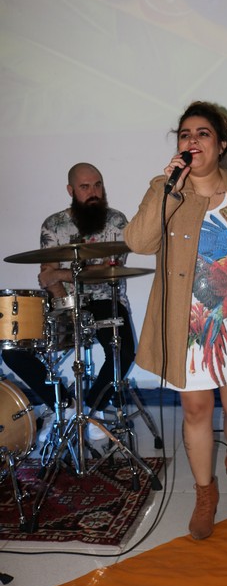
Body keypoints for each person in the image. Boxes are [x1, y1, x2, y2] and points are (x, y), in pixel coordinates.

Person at [124, 101, 227, 540]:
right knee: (196, 409)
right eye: (185, 134)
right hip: (189, 323)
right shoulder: (166, 187)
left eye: (202, 134)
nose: (192, 141)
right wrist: (168, 189)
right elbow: (138, 241)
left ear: (222, 144)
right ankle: (204, 491)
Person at [1, 163, 135, 440]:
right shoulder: (53, 225)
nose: (93, 192)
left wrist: (62, 274)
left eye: (97, 185)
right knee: (13, 351)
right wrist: (67, 307)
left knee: (123, 352)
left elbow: (108, 271)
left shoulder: (117, 221)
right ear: (71, 190)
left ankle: (93, 409)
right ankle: (64, 406)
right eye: (85, 187)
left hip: (105, 299)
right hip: (64, 300)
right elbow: (47, 277)